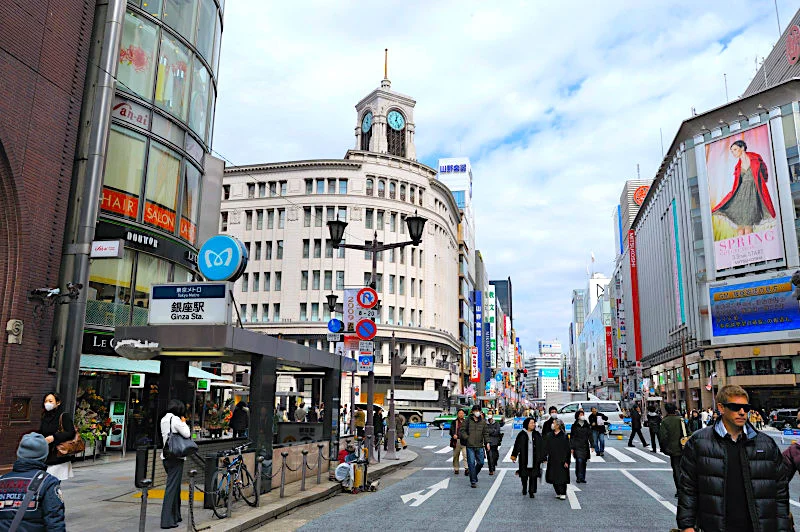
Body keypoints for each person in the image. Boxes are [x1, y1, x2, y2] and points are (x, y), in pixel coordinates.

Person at [677, 385, 790, 532]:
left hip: (759, 526)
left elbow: (780, 491)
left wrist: (782, 528)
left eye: (746, 408)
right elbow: (688, 487)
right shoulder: (699, 442)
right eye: (735, 407)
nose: (742, 412)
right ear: (721, 408)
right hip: (715, 525)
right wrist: (687, 526)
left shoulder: (766, 444)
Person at [0, 433, 66, 531]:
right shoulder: (48, 482)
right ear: (44, 456)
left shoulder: (2, 480)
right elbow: (54, 523)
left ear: (19, 454)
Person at [712, 139, 776, 236]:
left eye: (735, 149)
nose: (733, 153)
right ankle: (742, 250)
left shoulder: (756, 157)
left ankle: (750, 247)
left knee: (748, 225)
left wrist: (760, 182)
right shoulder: (737, 166)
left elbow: (764, 171)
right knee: (740, 227)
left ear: (742, 148)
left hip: (753, 193)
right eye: (732, 151)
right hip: (741, 195)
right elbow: (737, 184)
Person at [160, 399, 191, 529]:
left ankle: (176, 515)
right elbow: (187, 433)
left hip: (166, 456)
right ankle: (167, 520)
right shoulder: (176, 420)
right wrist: (184, 422)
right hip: (176, 457)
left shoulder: (164, 419)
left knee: (175, 486)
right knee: (172, 488)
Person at [38, 393, 76, 482]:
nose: (47, 403)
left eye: (50, 401)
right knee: (46, 482)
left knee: (51, 482)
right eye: (45, 401)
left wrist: (54, 437)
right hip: (46, 455)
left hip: (59, 454)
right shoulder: (44, 416)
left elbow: (70, 433)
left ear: (58, 402)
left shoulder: (64, 416)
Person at [658, 402, 686, 498]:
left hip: (672, 450)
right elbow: (689, 432)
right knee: (685, 469)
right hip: (683, 448)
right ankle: (686, 488)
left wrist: (664, 448)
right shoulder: (681, 420)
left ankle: (679, 490)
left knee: (676, 469)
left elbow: (663, 437)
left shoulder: (665, 421)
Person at [459, 405, 489, 488]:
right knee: (471, 463)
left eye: (478, 410)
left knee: (481, 463)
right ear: (472, 412)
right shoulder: (467, 420)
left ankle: (473, 474)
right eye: (475, 410)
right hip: (470, 445)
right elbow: (462, 430)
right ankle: (473, 481)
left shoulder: (483, 421)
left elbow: (485, 433)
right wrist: (467, 438)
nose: (477, 412)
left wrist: (487, 443)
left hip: (479, 445)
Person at [511, 417, 541, 497]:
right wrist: (514, 455)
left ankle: (531, 491)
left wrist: (543, 457)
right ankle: (524, 487)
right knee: (524, 475)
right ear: (527, 424)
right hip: (524, 458)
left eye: (534, 423)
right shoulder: (521, 434)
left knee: (533, 476)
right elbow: (517, 445)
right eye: (531, 423)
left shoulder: (536, 434)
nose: (533, 424)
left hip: (534, 459)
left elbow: (541, 446)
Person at [543, 418, 571, 500]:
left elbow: (567, 449)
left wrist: (567, 461)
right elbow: (546, 447)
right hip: (552, 459)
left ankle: (563, 492)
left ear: (558, 425)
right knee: (553, 476)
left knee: (562, 477)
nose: (552, 424)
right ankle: (558, 492)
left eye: (554, 423)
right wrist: (544, 457)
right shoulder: (549, 435)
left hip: (562, 459)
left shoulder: (564, 436)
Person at [570, 409, 592, 483]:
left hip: (585, 445)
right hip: (577, 446)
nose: (582, 416)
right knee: (579, 461)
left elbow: (590, 435)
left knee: (583, 462)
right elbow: (572, 437)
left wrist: (592, 445)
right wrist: (572, 447)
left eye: (583, 414)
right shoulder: (574, 425)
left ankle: (583, 477)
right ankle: (578, 477)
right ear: (577, 416)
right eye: (580, 414)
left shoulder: (586, 424)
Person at [450, 409, 468, 476]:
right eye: (460, 413)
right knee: (456, 455)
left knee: (465, 455)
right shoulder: (454, 422)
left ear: (464, 414)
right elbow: (451, 430)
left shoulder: (466, 422)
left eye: (462, 413)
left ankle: (466, 468)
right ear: (457, 414)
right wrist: (453, 435)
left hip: (465, 441)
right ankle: (456, 468)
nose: (461, 414)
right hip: (457, 440)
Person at [485, 409, 502, 476]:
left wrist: (490, 431)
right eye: (488, 413)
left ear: (493, 415)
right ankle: (491, 470)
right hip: (487, 442)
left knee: (495, 456)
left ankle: (494, 464)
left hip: (495, 442)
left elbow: (497, 432)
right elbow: (485, 432)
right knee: (489, 456)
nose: (489, 415)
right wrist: (492, 430)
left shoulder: (496, 423)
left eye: (490, 413)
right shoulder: (485, 423)